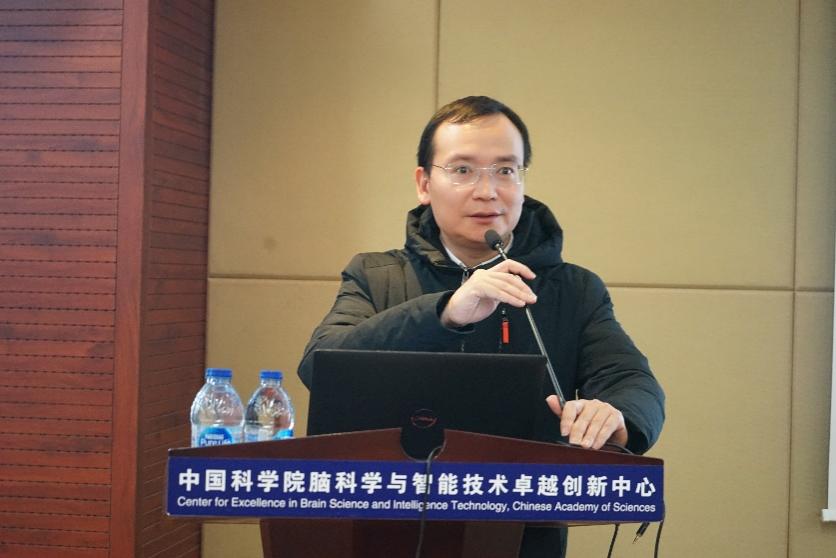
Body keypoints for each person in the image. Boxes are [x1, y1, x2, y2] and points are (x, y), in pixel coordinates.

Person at [298, 95, 665, 557]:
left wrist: (616, 416)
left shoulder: (572, 289)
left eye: (505, 170)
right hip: (384, 530)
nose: (487, 191)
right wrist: (445, 313)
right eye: (463, 170)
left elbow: (633, 382)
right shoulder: (376, 275)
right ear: (424, 183)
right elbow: (321, 365)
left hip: (524, 536)